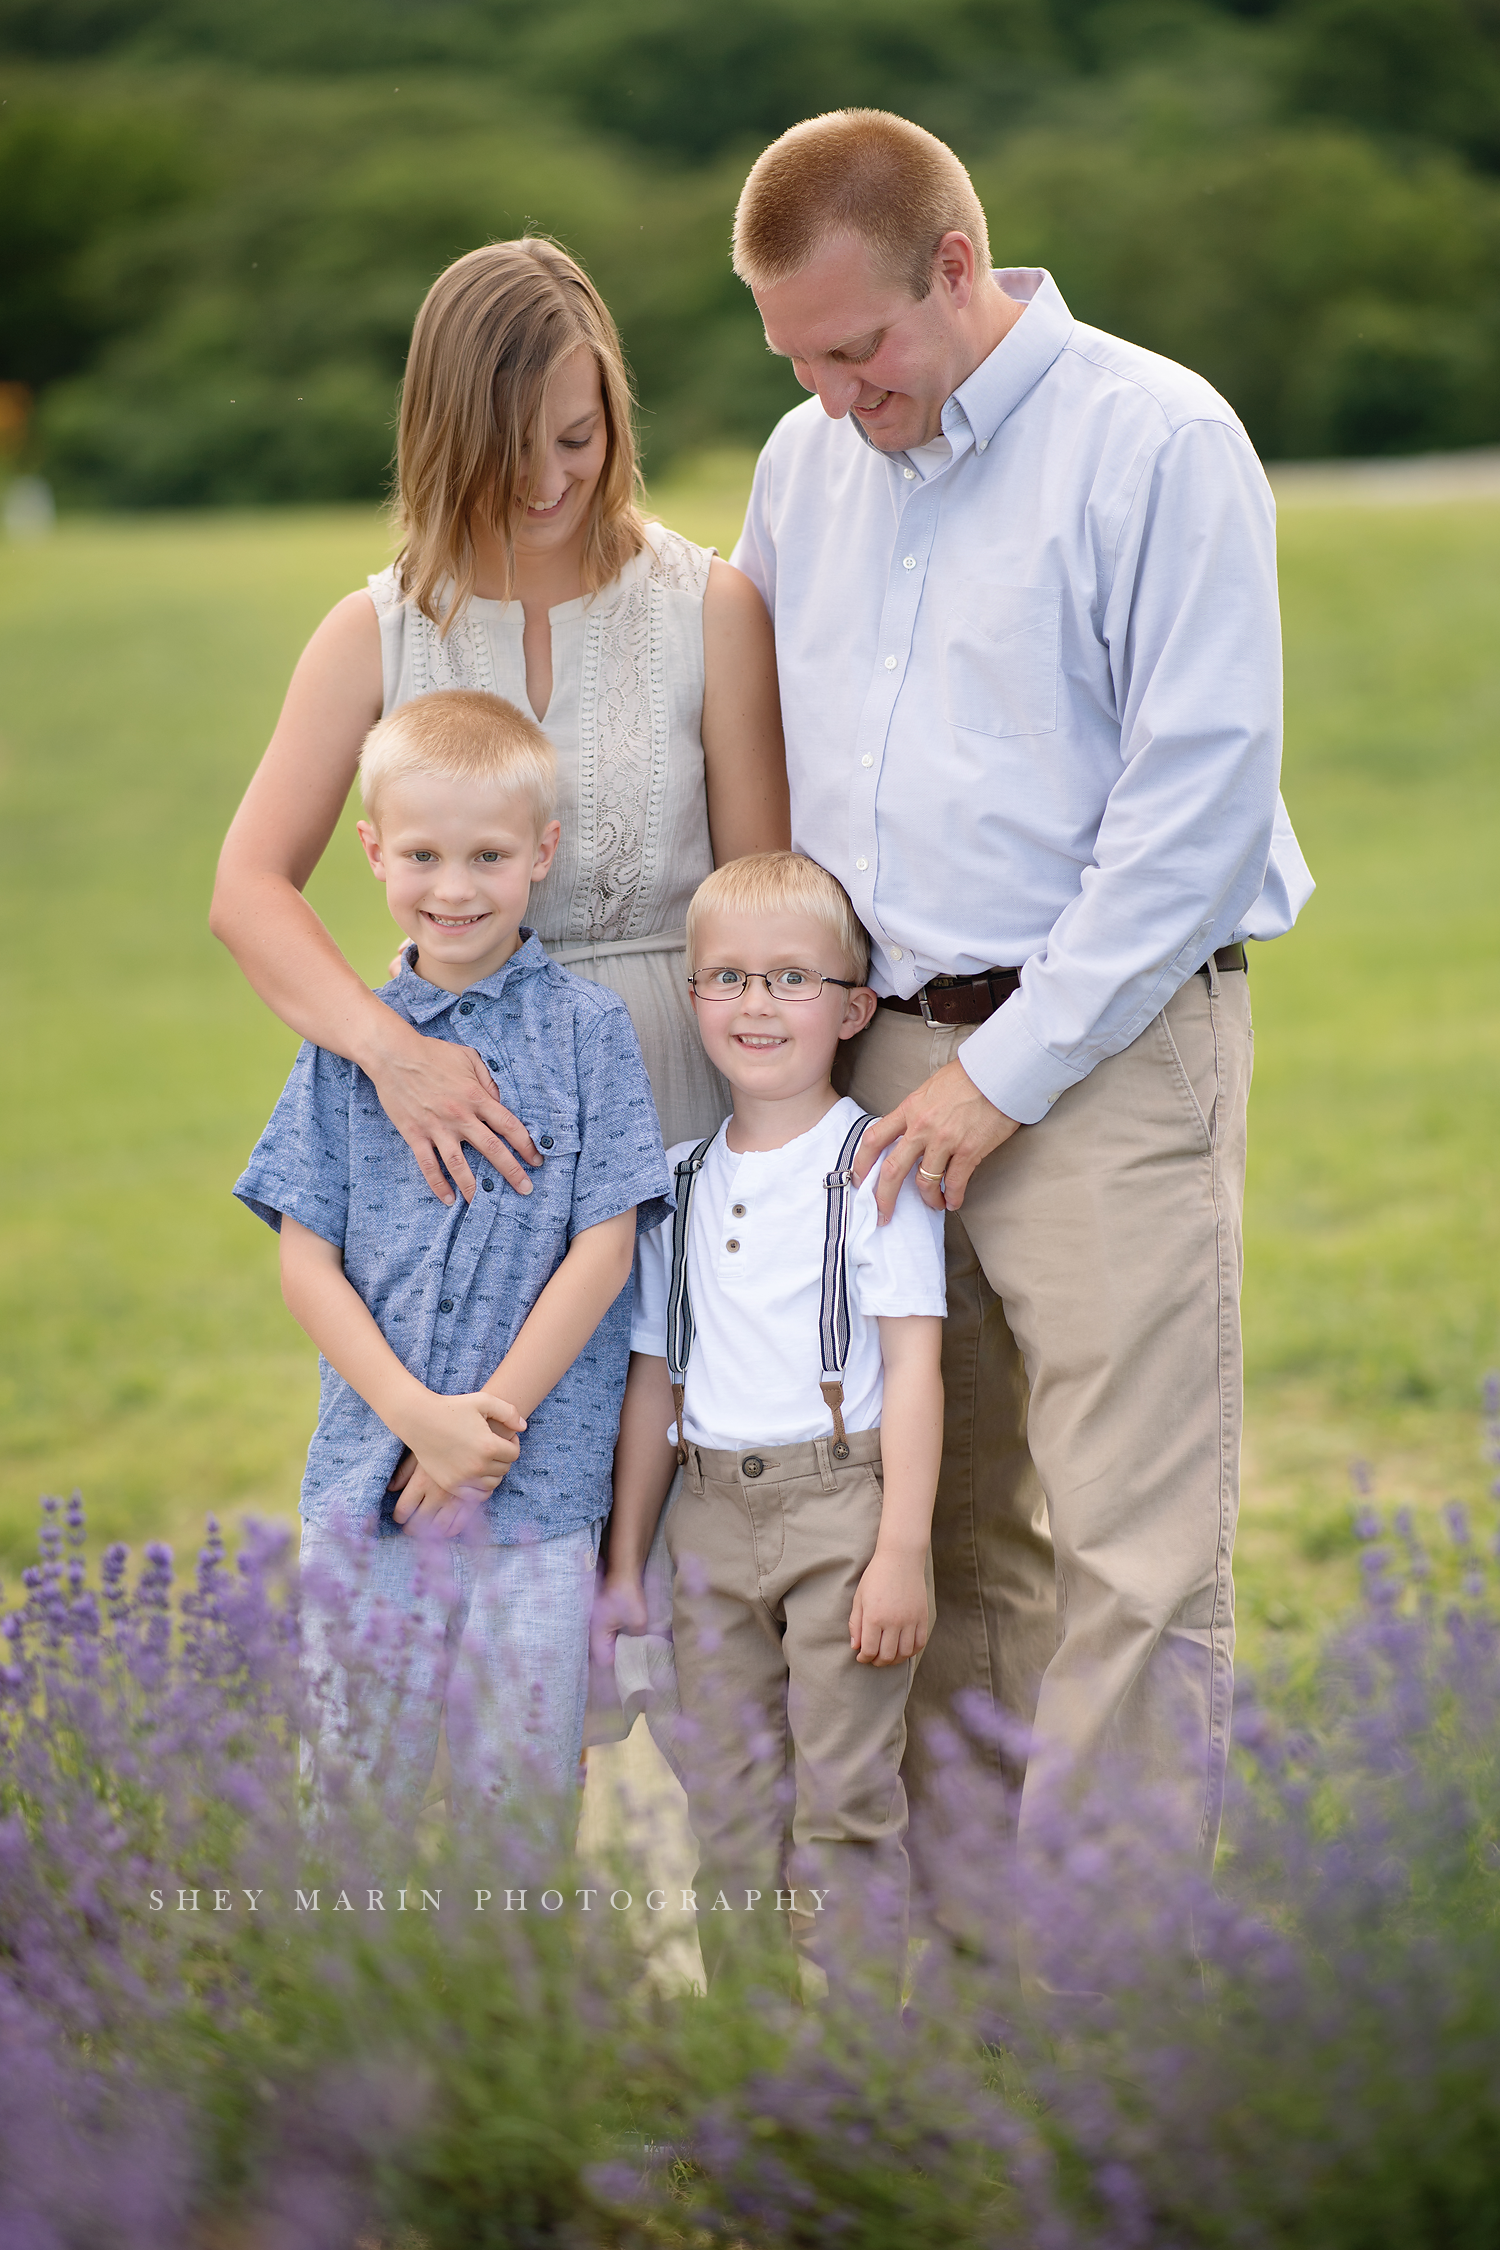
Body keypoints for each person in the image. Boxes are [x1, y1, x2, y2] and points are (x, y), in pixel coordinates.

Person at [728, 111, 1315, 1864]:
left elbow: (1198, 809)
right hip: (873, 1065)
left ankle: (1104, 2040)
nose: (835, 393)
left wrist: (1007, 1076)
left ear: (959, 267)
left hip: (1111, 1052)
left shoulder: (1156, 438)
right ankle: (966, 2022)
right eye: (797, 358)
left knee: (1136, 1561)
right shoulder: (799, 460)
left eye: (859, 347)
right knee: (944, 1530)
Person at [211, 236, 789, 1202]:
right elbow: (247, 890)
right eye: (510, 450)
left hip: (694, 1106)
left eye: (576, 439)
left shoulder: (710, 608)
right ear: (445, 434)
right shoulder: (375, 633)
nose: (547, 483)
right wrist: (392, 1054)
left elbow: (765, 906)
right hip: (467, 1114)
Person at [233, 689, 670, 1826]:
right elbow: (305, 1264)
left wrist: (486, 1429)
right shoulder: (344, 1049)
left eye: (488, 854)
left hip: (537, 1493)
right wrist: (413, 1419)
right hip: (367, 1488)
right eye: (423, 854)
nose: (456, 887)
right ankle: (352, 2010)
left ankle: (504, 2009)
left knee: (516, 1814)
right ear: (374, 852)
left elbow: (605, 1244)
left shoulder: (587, 1032)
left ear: (543, 855)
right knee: (351, 1808)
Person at [597, 852, 946, 1979]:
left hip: (841, 1511)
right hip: (704, 1521)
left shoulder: (872, 1169)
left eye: (792, 979)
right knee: (731, 1812)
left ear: (854, 1008)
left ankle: (851, 2073)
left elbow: (919, 1369)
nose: (756, 1004)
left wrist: (901, 1550)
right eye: (728, 978)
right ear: (691, 994)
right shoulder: (677, 1179)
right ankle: (747, 2074)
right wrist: (626, 1561)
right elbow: (656, 1378)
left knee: (845, 1798)